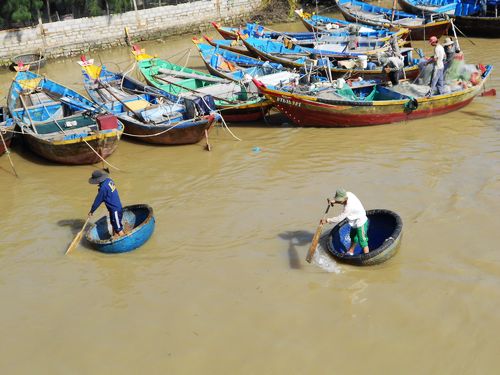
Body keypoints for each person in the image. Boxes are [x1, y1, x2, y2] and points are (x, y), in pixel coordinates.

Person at [321, 188, 369, 256]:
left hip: (361, 222)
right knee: (353, 237)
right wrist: (334, 201)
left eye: (340, 201)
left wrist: (327, 220)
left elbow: (339, 218)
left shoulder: (349, 207)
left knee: (363, 241)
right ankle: (351, 251)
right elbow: (341, 200)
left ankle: (367, 256)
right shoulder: (348, 194)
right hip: (354, 221)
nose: (340, 203)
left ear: (345, 199)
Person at [88, 169, 125, 237]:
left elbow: (97, 201)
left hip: (115, 210)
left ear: (97, 180)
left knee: (118, 229)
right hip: (116, 207)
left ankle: (124, 240)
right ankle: (115, 236)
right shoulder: (109, 180)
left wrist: (91, 211)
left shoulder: (103, 189)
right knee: (113, 223)